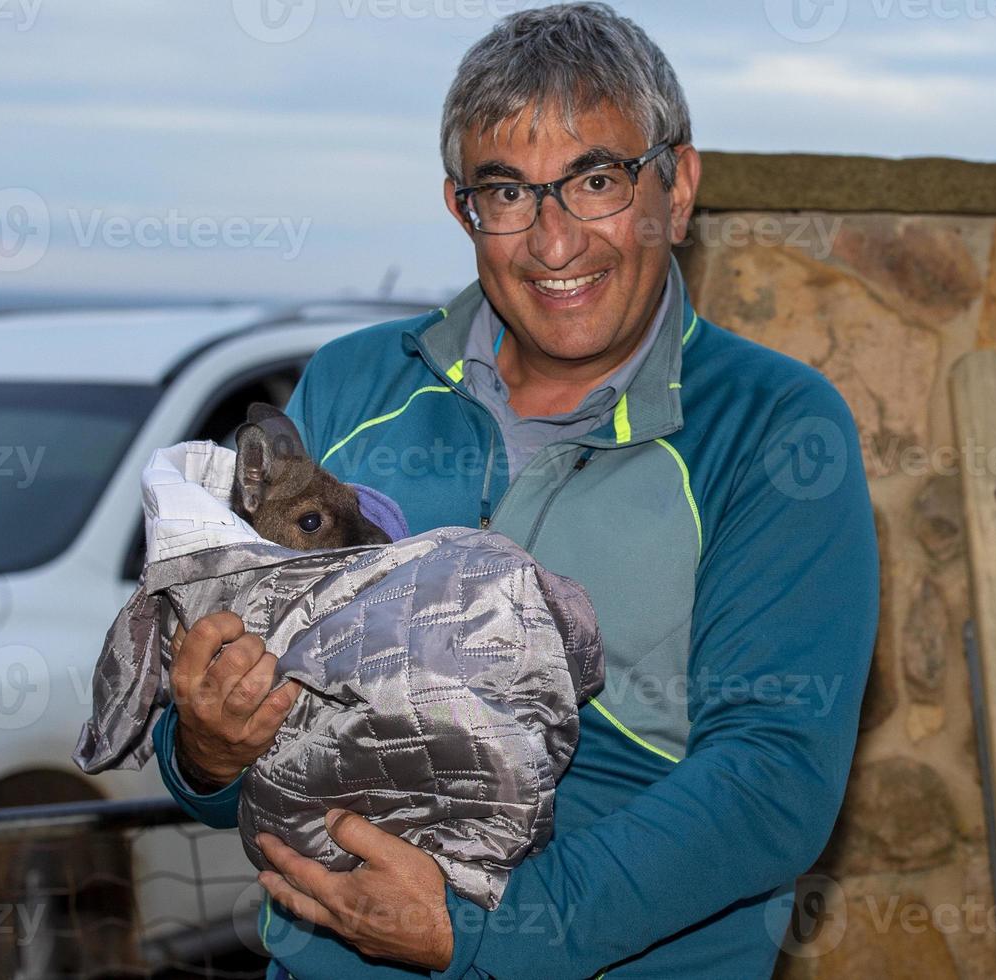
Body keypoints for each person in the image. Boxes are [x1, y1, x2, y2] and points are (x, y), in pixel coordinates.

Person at [151, 4, 880, 978]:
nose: (553, 242)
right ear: (461, 208)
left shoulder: (776, 426)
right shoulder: (352, 384)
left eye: (597, 180)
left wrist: (491, 924)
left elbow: (773, 778)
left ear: (679, 185)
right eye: (507, 192)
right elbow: (216, 760)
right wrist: (203, 746)